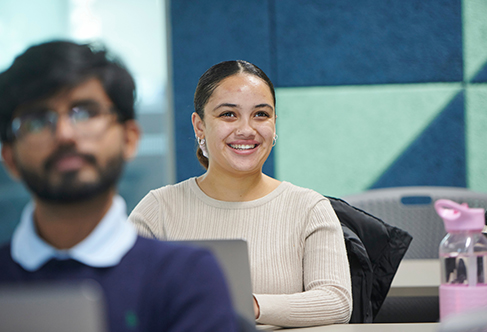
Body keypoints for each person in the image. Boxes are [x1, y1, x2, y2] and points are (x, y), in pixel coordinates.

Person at [0, 41, 239, 332]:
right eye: (37, 121)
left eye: (85, 113)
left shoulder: (187, 278)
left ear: (129, 138)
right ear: (10, 157)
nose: (64, 134)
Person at [129, 60, 353, 327]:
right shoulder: (158, 209)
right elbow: (123, 299)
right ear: (199, 126)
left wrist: (249, 305)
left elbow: (336, 302)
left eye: (261, 114)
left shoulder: (309, 207)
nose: (247, 130)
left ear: (274, 124)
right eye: (228, 115)